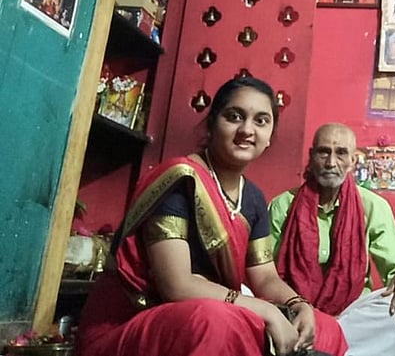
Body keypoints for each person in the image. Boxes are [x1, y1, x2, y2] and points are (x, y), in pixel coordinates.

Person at [76, 76, 348, 356]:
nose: (247, 130)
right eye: (234, 116)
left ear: (269, 137)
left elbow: (265, 278)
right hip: (133, 318)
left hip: (213, 308)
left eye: (261, 121)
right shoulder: (182, 181)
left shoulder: (252, 198)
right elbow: (176, 285)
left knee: (326, 328)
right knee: (213, 322)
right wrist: (265, 310)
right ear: (211, 124)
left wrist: (298, 304)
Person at [269, 123, 395, 356]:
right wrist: (295, 305)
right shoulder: (282, 205)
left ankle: (316, 346)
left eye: (340, 153)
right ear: (311, 157)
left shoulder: (372, 206)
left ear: (353, 161)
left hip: (350, 315)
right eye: (323, 152)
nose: (331, 163)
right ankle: (329, 346)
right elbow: (263, 271)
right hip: (294, 309)